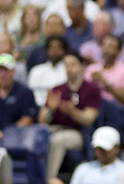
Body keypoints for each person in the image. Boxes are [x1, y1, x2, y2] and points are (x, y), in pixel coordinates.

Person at [41, 51, 103, 181]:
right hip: (54, 128)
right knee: (39, 136)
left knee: (58, 140)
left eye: (73, 64)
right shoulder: (57, 89)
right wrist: (50, 110)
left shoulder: (91, 89)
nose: (69, 69)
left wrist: (71, 111)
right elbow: (42, 120)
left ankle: (48, 179)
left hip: (78, 133)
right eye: (66, 65)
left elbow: (88, 119)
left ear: (82, 66)